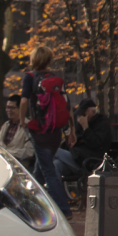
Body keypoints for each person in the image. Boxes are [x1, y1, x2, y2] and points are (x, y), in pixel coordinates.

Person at [19, 46, 75, 218]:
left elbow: (23, 101)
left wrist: (22, 121)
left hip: (40, 131)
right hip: (56, 132)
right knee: (39, 170)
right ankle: (27, 204)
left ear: (33, 59)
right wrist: (72, 130)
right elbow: (67, 105)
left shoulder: (30, 77)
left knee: (48, 171)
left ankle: (64, 210)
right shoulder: (56, 79)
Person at [0, 94, 34, 170]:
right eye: (7, 107)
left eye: (12, 108)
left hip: (18, 167)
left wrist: (6, 153)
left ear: (21, 109)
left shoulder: (28, 126)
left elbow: (28, 152)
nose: (9, 110)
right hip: (2, 163)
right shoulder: (6, 125)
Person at [70, 98, 111, 173]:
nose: (80, 118)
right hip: (78, 156)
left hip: (90, 160)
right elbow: (76, 140)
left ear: (93, 112)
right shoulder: (81, 124)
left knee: (55, 153)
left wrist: (86, 127)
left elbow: (94, 143)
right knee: (56, 165)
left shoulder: (103, 124)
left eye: (83, 114)